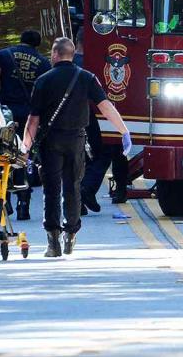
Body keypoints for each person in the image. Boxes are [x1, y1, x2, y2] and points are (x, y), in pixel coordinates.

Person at [23, 37, 131, 257]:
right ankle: (70, 237)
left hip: (50, 142)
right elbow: (106, 107)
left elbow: (33, 119)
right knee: (72, 187)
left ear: (54, 54)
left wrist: (25, 147)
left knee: (51, 190)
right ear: (72, 55)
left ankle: (53, 242)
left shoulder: (43, 80)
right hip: (76, 140)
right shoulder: (86, 78)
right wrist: (124, 131)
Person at [0, 30, 50, 221]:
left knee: (1, 156)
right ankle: (24, 204)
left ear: (20, 40)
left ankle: (3, 202)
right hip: (30, 115)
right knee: (23, 156)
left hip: (6, 114)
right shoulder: (44, 62)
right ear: (37, 44)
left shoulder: (4, 54)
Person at [75, 29, 129, 212]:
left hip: (70, 117)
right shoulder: (95, 64)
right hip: (95, 113)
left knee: (81, 159)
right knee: (108, 152)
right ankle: (88, 191)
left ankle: (79, 201)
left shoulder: (68, 63)